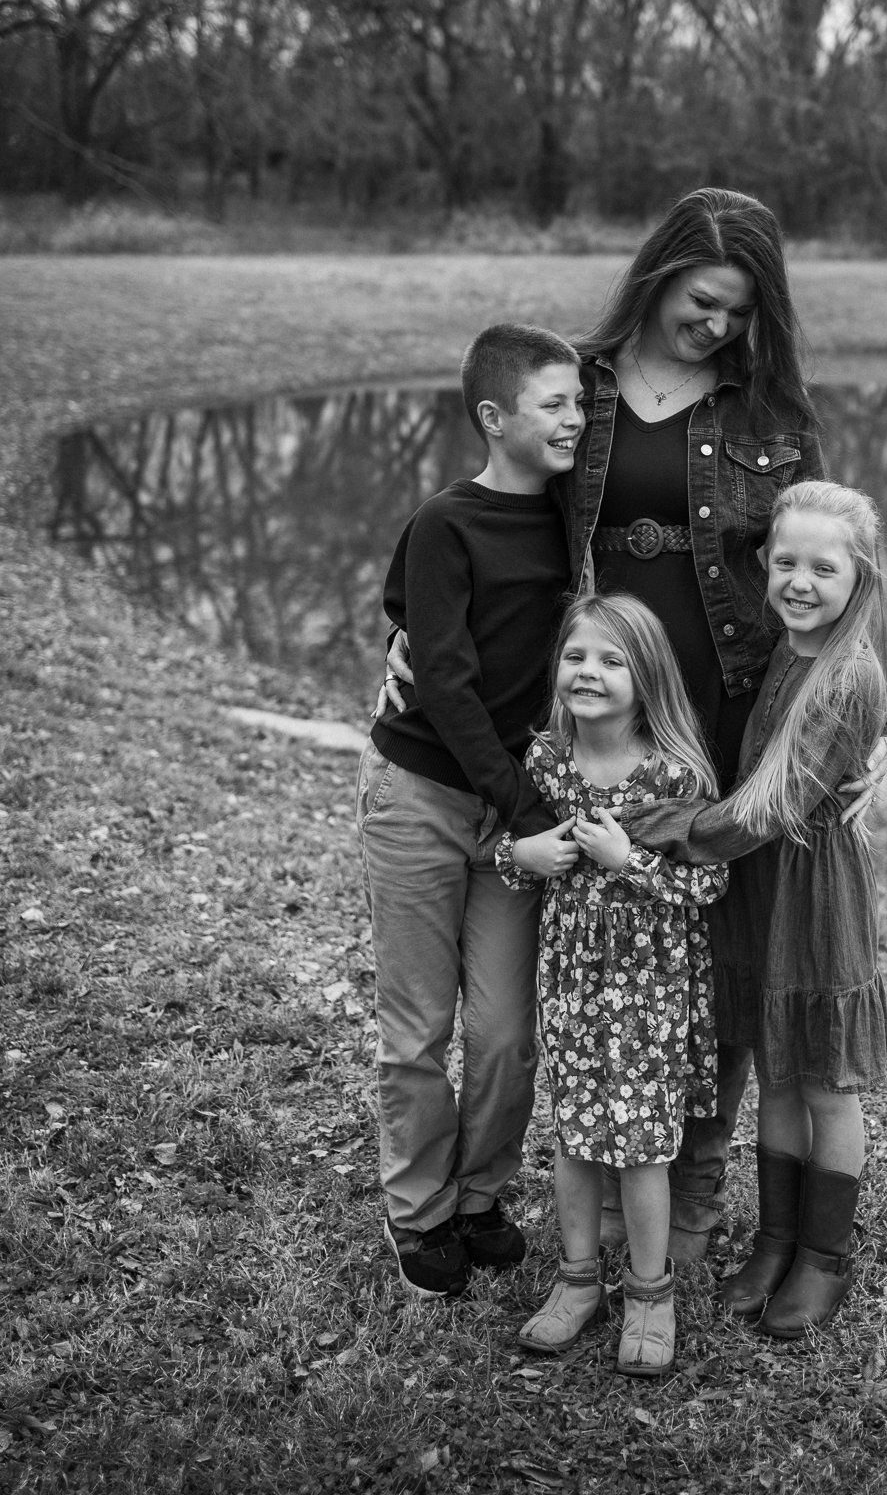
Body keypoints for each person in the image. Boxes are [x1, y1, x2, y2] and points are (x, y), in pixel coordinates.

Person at [378, 187, 887, 1251]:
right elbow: (488, 515)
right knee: (593, 945)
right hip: (594, 710)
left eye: (740, 311)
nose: (717, 325)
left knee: (708, 961)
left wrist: (885, 726)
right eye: (702, 302)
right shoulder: (582, 388)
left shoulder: (770, 411)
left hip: (725, 708)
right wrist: (411, 628)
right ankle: (596, 1181)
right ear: (657, 278)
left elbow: (831, 560)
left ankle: (689, 1190)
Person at [628, 480, 887, 1338]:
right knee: (777, 1069)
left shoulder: (847, 674)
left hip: (812, 887)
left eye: (823, 569)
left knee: (824, 1081)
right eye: (785, 562)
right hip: (763, 886)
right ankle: (775, 1241)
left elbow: (769, 809)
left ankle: (823, 1257)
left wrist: (665, 827)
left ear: (860, 579)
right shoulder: (788, 647)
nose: (799, 581)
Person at [354, 322, 585, 1299]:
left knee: (502, 1032)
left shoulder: (577, 524)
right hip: (422, 795)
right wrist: (526, 808)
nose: (574, 419)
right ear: (494, 417)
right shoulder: (445, 523)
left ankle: (480, 1193)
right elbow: (441, 678)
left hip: (512, 806)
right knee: (419, 1026)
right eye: (554, 403)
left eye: (581, 403)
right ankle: (418, 1211)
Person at [496, 594, 727, 1377]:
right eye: (575, 656)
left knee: (641, 1146)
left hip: (650, 993)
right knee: (573, 1133)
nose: (588, 672)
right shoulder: (544, 762)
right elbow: (503, 849)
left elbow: (710, 885)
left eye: (610, 660)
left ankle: (650, 1295)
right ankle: (576, 1281)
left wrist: (629, 861)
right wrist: (521, 856)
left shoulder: (673, 773)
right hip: (570, 981)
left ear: (646, 676)